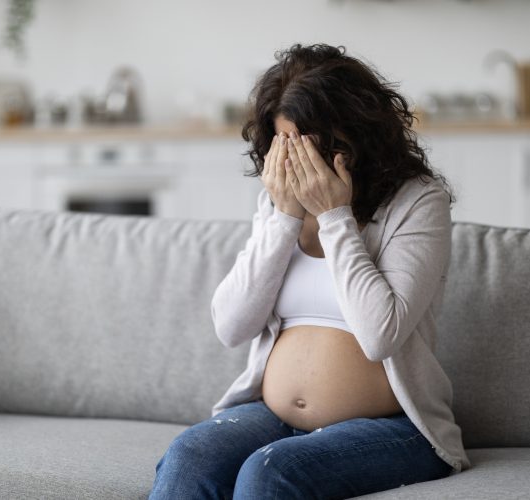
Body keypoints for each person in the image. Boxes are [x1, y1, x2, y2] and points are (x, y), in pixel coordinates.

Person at [148, 42, 471, 499]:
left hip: (396, 428)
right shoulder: (278, 201)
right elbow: (231, 326)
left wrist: (336, 218)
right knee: (190, 455)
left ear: (358, 136)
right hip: (273, 417)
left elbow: (380, 335)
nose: (303, 165)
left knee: (270, 473)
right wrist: (283, 219)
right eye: (288, 146)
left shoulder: (417, 201)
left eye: (316, 147)